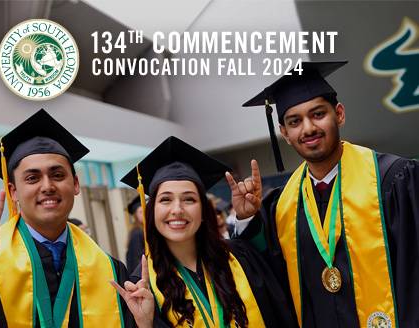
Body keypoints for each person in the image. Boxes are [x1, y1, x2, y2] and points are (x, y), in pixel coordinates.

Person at [227, 61, 419, 327]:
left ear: (339, 114)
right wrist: (248, 220)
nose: (308, 129)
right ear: (284, 133)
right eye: (295, 122)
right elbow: (270, 281)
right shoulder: (284, 206)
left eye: (318, 114)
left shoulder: (393, 180)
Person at [0, 109, 152, 327]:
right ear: (13, 191)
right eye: (32, 178)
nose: (47, 186)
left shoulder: (109, 269)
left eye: (57, 175)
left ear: (75, 184)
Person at [120, 136, 297, 327]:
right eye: (165, 200)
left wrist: (247, 217)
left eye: (189, 199)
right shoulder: (143, 287)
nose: (177, 209)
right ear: (152, 211)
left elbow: (281, 296)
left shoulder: (239, 257)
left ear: (203, 211)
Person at [125, 196, 145, 275]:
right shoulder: (137, 233)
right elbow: (136, 260)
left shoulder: (146, 230)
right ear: (136, 216)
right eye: (140, 212)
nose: (144, 213)